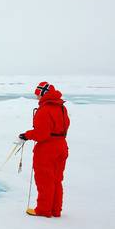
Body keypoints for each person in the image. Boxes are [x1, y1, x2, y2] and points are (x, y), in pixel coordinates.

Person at [19, 82, 70, 218]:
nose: (37, 97)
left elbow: (42, 134)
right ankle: (55, 210)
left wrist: (27, 135)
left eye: (37, 94)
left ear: (43, 93)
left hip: (47, 149)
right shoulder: (62, 108)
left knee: (45, 180)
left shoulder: (45, 109)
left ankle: (43, 210)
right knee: (56, 180)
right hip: (62, 146)